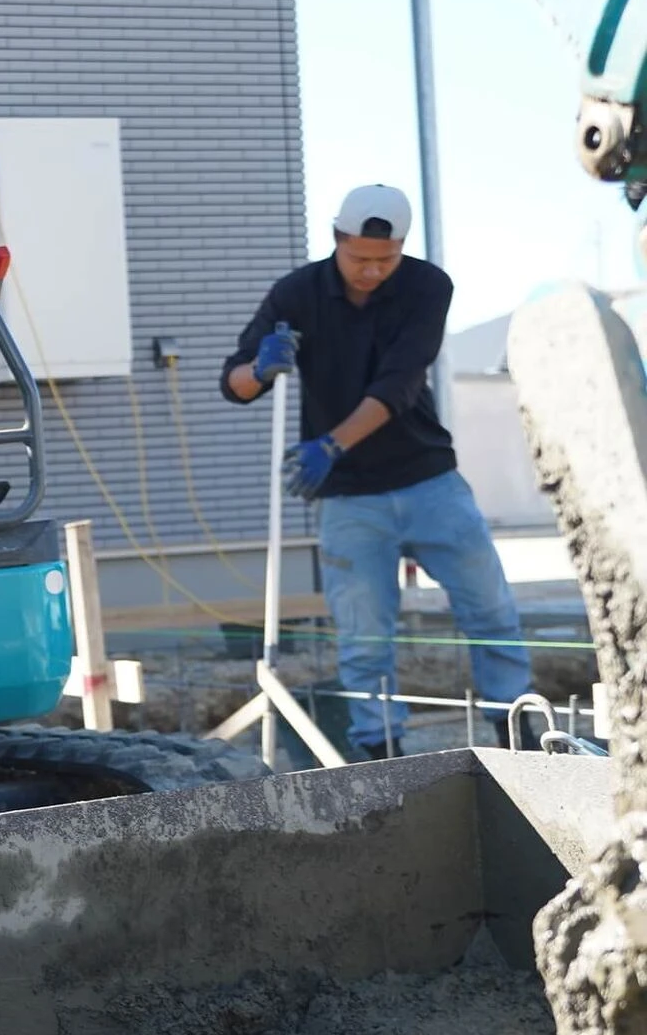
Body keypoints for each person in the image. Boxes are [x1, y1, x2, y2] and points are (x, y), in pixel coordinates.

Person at [221, 183, 534, 760]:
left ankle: (515, 727)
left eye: (384, 259)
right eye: (359, 258)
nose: (371, 271)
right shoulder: (297, 293)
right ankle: (379, 746)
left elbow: (399, 382)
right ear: (337, 241)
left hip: (428, 480)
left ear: (402, 249)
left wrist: (331, 446)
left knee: (490, 609)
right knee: (364, 638)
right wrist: (262, 369)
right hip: (348, 499)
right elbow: (233, 381)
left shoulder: (426, 286)